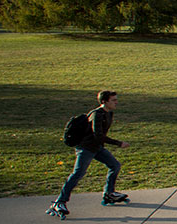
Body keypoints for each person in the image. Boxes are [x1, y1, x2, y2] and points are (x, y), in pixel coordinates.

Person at [48, 90, 130, 219]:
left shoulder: (109, 113)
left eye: (116, 100)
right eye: (113, 100)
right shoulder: (96, 114)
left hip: (97, 148)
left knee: (115, 165)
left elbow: (100, 137)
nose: (116, 102)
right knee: (78, 173)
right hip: (86, 149)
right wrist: (118, 143)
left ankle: (109, 194)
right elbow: (98, 135)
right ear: (104, 102)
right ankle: (59, 202)